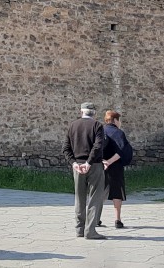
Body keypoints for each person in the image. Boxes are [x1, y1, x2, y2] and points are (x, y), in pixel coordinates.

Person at [62, 102, 106, 240]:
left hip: (78, 166)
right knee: (95, 197)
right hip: (94, 165)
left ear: (81, 112)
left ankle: (79, 229)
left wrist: (74, 163)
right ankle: (90, 230)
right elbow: (98, 146)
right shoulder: (97, 126)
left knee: (79, 198)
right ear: (94, 113)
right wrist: (89, 162)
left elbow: (65, 148)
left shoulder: (73, 126)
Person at [99, 110, 132, 229]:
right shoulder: (118, 133)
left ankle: (96, 218)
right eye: (119, 120)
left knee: (100, 192)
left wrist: (103, 161)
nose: (120, 123)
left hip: (100, 165)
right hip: (115, 167)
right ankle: (117, 219)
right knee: (117, 192)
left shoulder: (100, 131)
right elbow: (121, 151)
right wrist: (110, 162)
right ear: (115, 120)